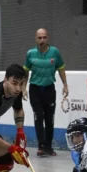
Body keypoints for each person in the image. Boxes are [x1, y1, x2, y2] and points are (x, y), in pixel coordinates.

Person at [23, 28, 69, 157]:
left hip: (49, 89)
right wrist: (23, 87)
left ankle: (48, 147)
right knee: (39, 116)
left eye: (44, 37)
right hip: (35, 90)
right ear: (35, 39)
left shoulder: (55, 52)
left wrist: (65, 85)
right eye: (39, 38)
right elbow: (25, 70)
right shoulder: (30, 54)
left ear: (47, 38)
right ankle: (41, 146)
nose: (42, 40)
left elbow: (61, 68)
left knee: (50, 119)